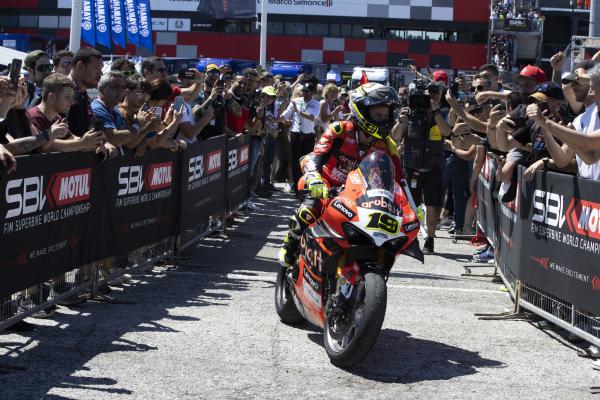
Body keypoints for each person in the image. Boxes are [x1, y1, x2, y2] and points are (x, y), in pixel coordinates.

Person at [278, 82, 404, 268]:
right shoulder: (340, 130)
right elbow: (314, 156)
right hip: (324, 183)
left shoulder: (387, 145)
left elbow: (399, 180)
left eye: (386, 115)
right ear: (362, 111)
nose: (384, 119)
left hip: (359, 195)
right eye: (378, 115)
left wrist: (409, 205)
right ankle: (290, 243)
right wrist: (314, 177)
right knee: (309, 209)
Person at [394, 80, 453, 253]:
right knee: (409, 204)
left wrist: (434, 110)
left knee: (433, 204)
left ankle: (430, 239)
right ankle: (408, 238)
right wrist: (401, 121)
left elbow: (447, 132)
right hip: (412, 165)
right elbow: (396, 136)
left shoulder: (441, 112)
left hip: (433, 166)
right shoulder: (408, 113)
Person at [27, 73, 102, 153]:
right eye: (67, 97)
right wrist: (82, 143)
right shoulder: (33, 116)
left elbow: (71, 139)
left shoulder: (57, 118)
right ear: (52, 97)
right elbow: (43, 146)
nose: (72, 102)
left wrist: (94, 144)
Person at [67, 47, 116, 158]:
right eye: (96, 68)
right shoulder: (65, 93)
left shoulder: (81, 94)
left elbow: (91, 125)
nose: (101, 73)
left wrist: (106, 142)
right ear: (80, 66)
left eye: (101, 68)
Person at [281, 82, 320, 193]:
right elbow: (286, 115)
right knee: (295, 160)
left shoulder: (316, 104)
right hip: (296, 135)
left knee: (307, 162)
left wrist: (298, 112)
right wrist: (278, 118)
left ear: (313, 92)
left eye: (307, 91)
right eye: (303, 91)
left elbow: (312, 117)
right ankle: (296, 184)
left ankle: (305, 184)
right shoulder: (295, 102)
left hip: (308, 136)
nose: (305, 93)